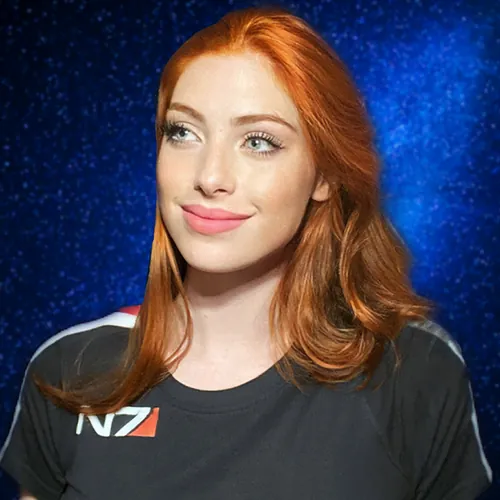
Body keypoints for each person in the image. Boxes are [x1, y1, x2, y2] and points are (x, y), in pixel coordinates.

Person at [0, 5, 493, 500]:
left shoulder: (414, 371)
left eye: (258, 141)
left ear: (324, 175)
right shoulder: (71, 366)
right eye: (183, 132)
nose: (210, 177)